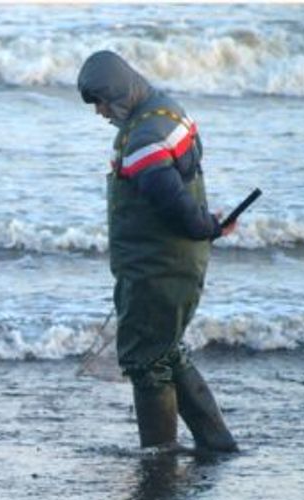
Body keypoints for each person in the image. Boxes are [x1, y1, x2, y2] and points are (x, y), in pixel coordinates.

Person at [77, 51, 239, 452]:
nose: (99, 111)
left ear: (117, 91)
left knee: (147, 362)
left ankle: (159, 455)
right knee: (166, 351)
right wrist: (209, 228)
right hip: (174, 261)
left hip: (158, 266)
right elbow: (181, 197)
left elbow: (167, 196)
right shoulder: (164, 112)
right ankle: (216, 444)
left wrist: (206, 226)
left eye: (100, 101)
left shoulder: (144, 135)